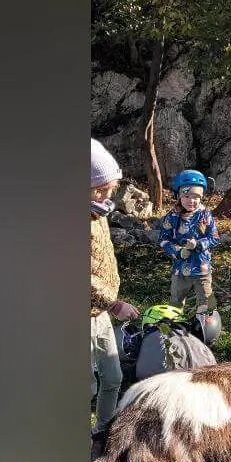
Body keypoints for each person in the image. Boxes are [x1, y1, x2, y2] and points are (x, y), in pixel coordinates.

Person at [91, 138, 140, 432]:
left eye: (110, 189)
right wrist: (115, 303)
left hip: (100, 312)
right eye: (101, 190)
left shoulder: (98, 214)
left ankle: (103, 433)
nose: (108, 196)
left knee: (112, 378)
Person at [156, 169, 220, 314]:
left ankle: (207, 327)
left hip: (202, 268)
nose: (191, 200)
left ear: (202, 196)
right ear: (178, 195)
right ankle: (175, 327)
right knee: (175, 301)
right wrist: (179, 251)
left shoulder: (205, 214)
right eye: (186, 196)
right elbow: (163, 239)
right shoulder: (171, 217)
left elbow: (215, 238)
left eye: (196, 196)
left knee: (207, 301)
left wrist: (198, 244)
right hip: (180, 269)